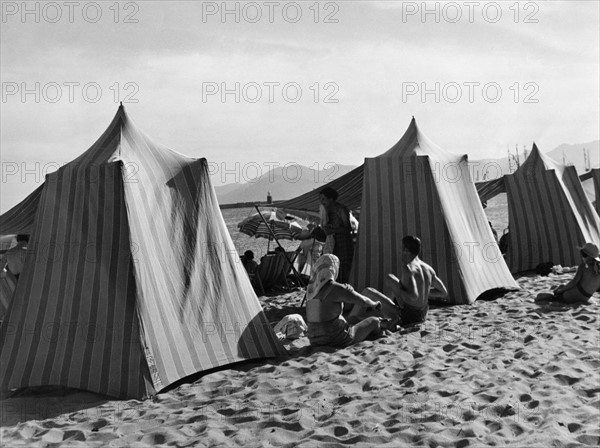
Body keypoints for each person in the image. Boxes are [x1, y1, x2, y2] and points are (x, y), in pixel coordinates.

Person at [362, 235, 448, 328]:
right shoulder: (428, 269)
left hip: (408, 317)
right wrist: (424, 291)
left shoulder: (408, 268)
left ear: (406, 250)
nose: (400, 252)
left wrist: (397, 290)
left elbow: (412, 296)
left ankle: (351, 320)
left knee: (369, 291)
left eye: (401, 248)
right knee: (390, 279)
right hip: (423, 315)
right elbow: (443, 293)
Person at [305, 254, 388, 347]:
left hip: (314, 340)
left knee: (353, 319)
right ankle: (385, 326)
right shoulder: (335, 288)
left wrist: (346, 290)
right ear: (333, 269)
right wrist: (375, 304)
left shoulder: (311, 291)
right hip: (335, 338)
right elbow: (363, 301)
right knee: (374, 321)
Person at [536, 242, 600, 303]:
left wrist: (561, 290)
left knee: (541, 296)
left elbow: (574, 282)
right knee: (562, 285)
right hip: (584, 298)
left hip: (570, 296)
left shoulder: (583, 267)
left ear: (586, 255)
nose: (582, 257)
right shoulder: (598, 269)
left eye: (583, 254)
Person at [319, 187, 354, 283]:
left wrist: (334, 230)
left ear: (331, 199)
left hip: (343, 243)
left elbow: (348, 228)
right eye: (320, 199)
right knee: (330, 265)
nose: (322, 201)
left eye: (323, 199)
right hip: (331, 243)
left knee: (343, 267)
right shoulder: (324, 211)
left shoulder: (341, 209)